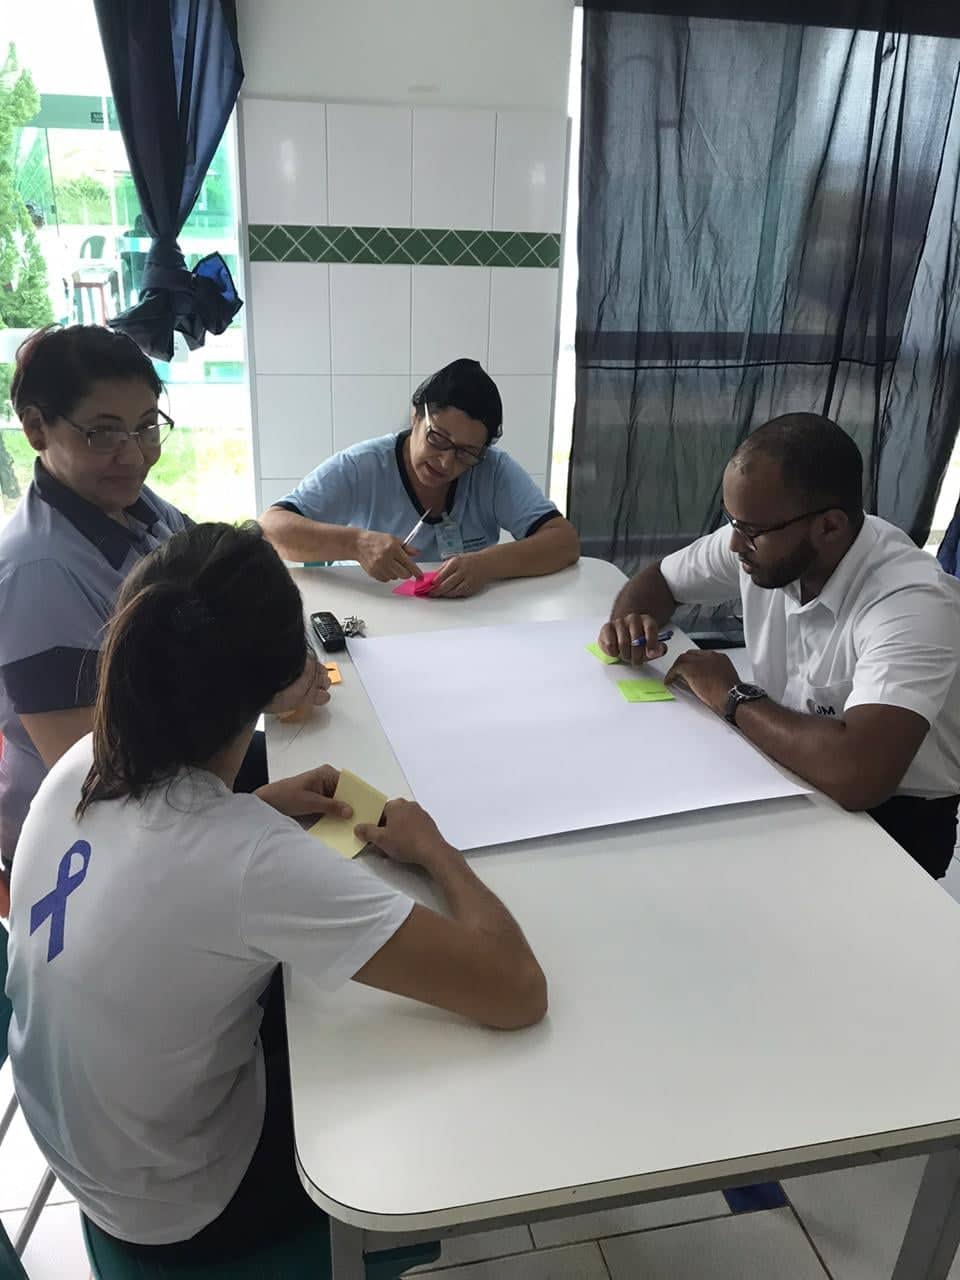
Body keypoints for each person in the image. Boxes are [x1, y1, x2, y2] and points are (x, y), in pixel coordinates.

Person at [6, 521, 546, 1267]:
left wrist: (257, 805)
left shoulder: (86, 760)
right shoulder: (243, 859)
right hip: (182, 1203)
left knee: (317, 994)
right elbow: (517, 990)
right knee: (413, 1052)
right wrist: (435, 851)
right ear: (282, 678)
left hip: (93, 1153)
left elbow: (165, 872)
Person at [0, 325, 330, 890]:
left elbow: (229, 585)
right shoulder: (36, 573)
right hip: (87, 847)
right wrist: (260, 707)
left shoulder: (132, 504)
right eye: (103, 433)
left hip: (175, 771)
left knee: (327, 783)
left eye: (147, 426)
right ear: (36, 428)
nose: (134, 455)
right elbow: (99, 778)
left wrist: (280, 659)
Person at [599, 413, 960, 879]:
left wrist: (733, 696)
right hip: (787, 764)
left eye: (750, 531)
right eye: (732, 521)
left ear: (829, 527)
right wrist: (629, 623)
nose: (734, 544)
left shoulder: (911, 602)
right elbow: (660, 580)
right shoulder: (764, 540)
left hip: (897, 813)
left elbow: (861, 774)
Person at [260, 357, 580, 597]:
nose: (445, 461)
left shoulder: (492, 471)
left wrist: (486, 565)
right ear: (416, 415)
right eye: (437, 438)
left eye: (467, 452)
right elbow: (271, 528)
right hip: (376, 616)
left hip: (468, 620)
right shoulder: (364, 466)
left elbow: (563, 542)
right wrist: (355, 544)